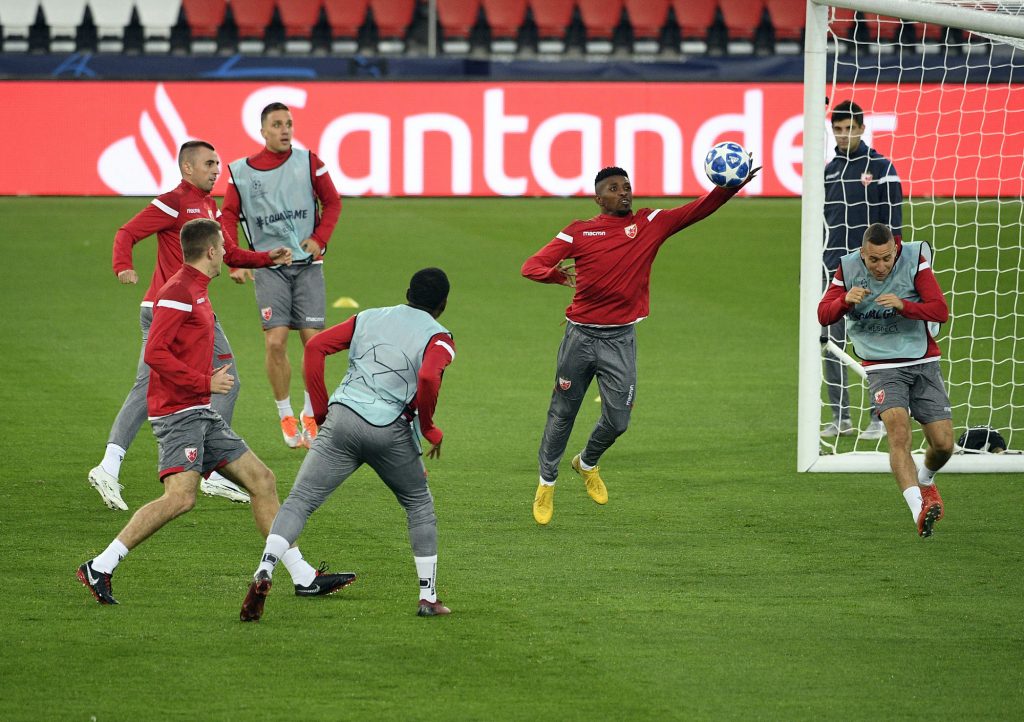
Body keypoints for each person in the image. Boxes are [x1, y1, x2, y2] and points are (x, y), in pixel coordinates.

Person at [78, 219, 354, 605]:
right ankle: (100, 565)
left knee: (262, 480)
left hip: (201, 413)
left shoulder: (197, 289)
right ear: (210, 251)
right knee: (180, 497)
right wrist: (204, 382)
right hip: (178, 415)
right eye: (223, 247)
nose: (226, 253)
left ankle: (303, 576)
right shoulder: (178, 292)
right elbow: (154, 353)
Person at [522, 164, 758, 526]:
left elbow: (696, 210)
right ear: (599, 199)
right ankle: (546, 483)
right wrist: (552, 275)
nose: (624, 193)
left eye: (627, 187)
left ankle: (586, 462)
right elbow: (531, 266)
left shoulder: (650, 223)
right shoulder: (578, 232)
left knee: (618, 421)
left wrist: (729, 188)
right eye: (614, 188)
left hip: (619, 339)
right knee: (562, 413)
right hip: (580, 338)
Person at [239, 268, 455, 622]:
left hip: (341, 421)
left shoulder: (368, 317)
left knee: (299, 501)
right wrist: (429, 428)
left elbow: (316, 347)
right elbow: (429, 377)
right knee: (419, 505)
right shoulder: (440, 338)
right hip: (389, 433)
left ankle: (265, 568)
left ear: (408, 292)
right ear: (443, 304)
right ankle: (427, 597)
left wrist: (321, 412)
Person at [88, 140, 293, 511]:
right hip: (168, 308)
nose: (216, 170)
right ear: (187, 167)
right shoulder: (173, 201)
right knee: (177, 382)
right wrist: (123, 266)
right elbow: (127, 232)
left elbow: (228, 252)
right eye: (209, 163)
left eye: (217, 163)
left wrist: (266, 258)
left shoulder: (209, 206)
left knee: (213, 383)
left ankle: (192, 470)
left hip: (193, 311)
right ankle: (118, 466)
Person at [220, 101, 343, 451]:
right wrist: (235, 260)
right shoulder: (241, 173)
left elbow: (333, 202)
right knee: (275, 342)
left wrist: (319, 239)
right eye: (277, 124)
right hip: (269, 267)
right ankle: (285, 413)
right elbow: (227, 216)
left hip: (308, 266)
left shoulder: (310, 162)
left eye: (288, 123)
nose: (285, 129)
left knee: (314, 344)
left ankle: (309, 413)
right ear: (262, 131)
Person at [817, 222, 952, 538]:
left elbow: (940, 311)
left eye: (887, 258)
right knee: (898, 432)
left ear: (895, 251)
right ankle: (919, 510)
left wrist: (905, 305)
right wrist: (844, 301)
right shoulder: (848, 267)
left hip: (922, 361)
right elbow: (824, 315)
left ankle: (926, 480)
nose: (881, 266)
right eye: (874, 260)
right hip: (881, 367)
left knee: (944, 445)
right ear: (863, 254)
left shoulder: (914, 260)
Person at [822, 100, 905, 440]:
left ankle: (877, 417)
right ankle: (840, 417)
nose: (843, 135)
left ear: (862, 129)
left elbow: (894, 224)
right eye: (838, 130)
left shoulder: (882, 167)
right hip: (832, 269)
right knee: (831, 343)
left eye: (849, 129)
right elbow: (821, 224)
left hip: (871, 271)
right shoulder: (828, 171)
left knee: (874, 343)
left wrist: (891, 268)